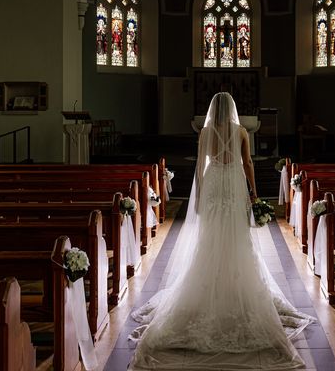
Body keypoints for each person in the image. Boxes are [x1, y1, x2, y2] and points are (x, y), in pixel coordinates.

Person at [128, 92, 314, 370]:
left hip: (214, 182)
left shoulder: (205, 133)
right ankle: (235, 284)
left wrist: (201, 195)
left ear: (214, 111)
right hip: (234, 183)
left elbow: (200, 168)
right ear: (233, 111)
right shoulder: (241, 131)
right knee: (238, 237)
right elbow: (248, 163)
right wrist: (253, 193)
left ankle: (210, 282)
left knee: (210, 237)